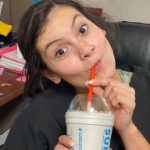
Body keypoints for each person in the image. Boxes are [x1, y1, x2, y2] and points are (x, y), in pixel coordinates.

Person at [2, 0, 150, 150]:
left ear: (100, 28)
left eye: (83, 29)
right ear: (50, 73)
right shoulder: (38, 116)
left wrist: (128, 130)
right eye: (61, 51)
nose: (85, 49)